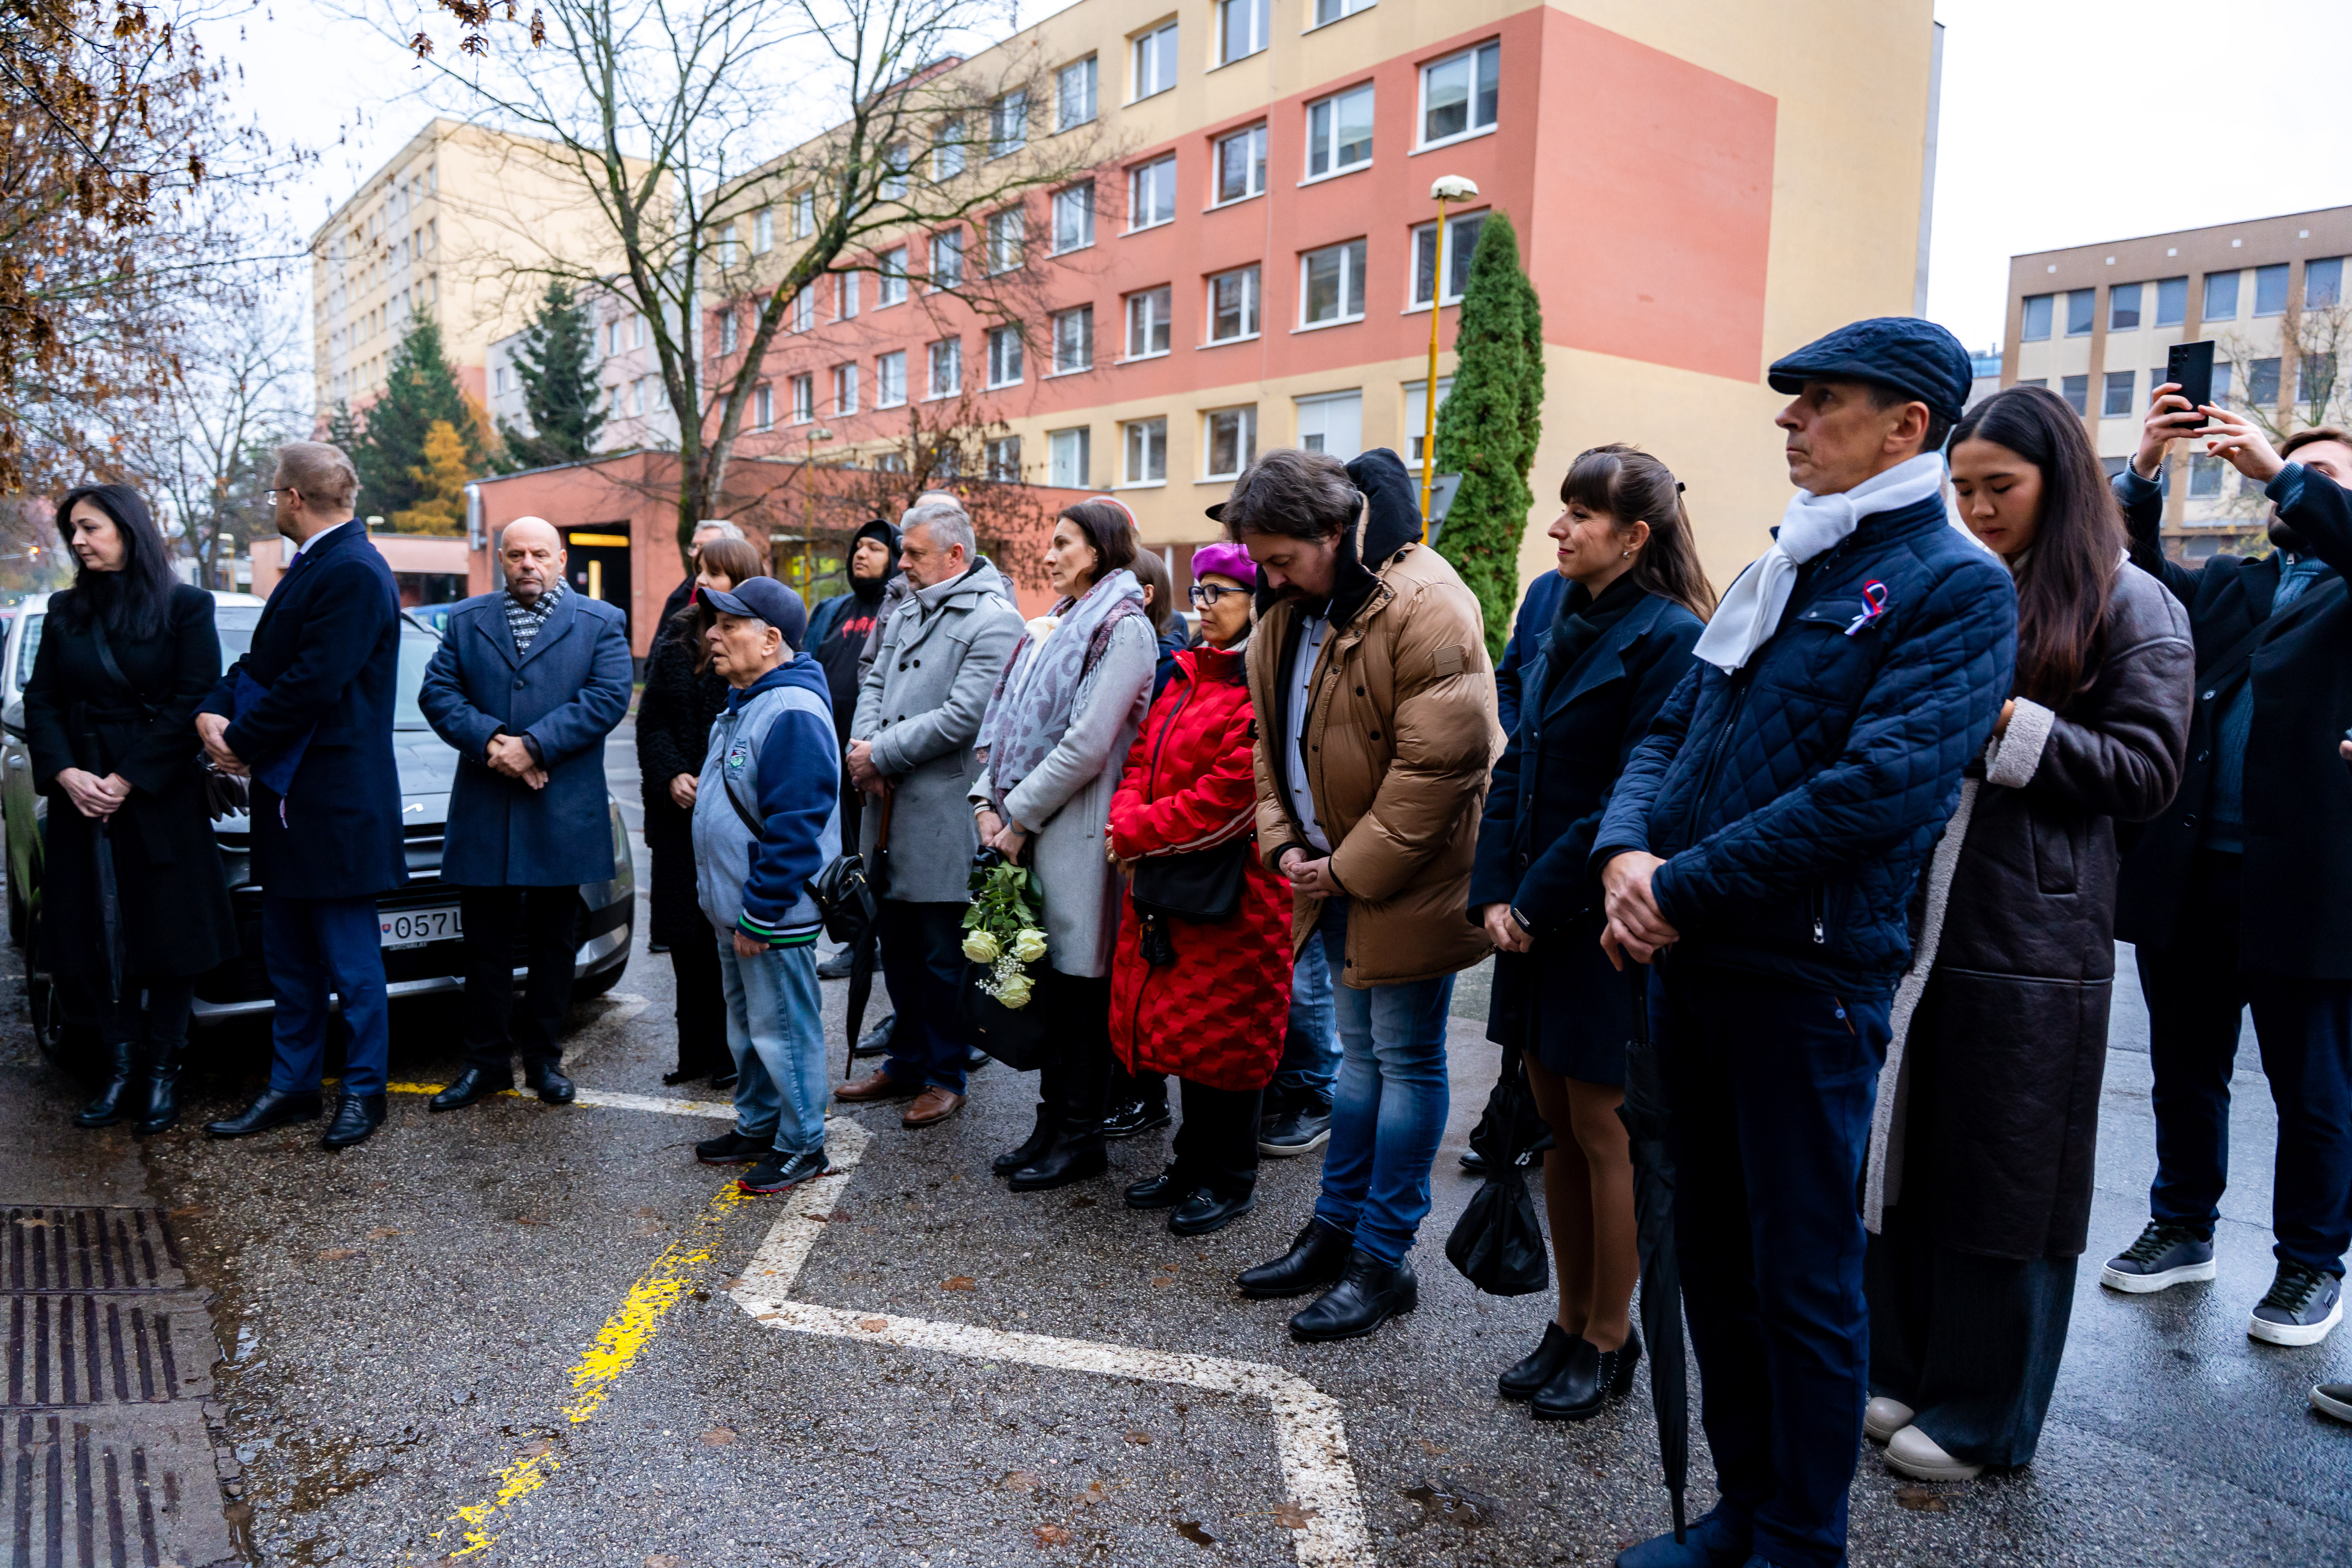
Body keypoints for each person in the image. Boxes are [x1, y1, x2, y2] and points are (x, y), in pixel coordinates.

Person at [1592, 318, 2015, 1568]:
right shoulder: (1783, 564)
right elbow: (1668, 729)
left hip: (1805, 980)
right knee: (1714, 1264)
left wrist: (1680, 885)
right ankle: (1743, 1511)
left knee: (1804, 1280)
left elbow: (1877, 788)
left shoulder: (1952, 582)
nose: (1789, 421)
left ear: (1905, 428)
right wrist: (1624, 854)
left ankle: (1799, 1540)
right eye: (1791, 402)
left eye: (1820, 401)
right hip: (1698, 964)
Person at [1859, 385, 2193, 1484]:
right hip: (1932, 919)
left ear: (2062, 479)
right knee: (1912, 1158)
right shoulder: (1973, 591)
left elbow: (2148, 772)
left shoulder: (2132, 601)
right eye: (1964, 489)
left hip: (2036, 938)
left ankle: (1987, 1417)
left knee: (2009, 1173)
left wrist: (2005, 723)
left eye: (1999, 487)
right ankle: (1907, 1368)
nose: (1980, 507)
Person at [1225, 448, 1498, 1342]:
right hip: (1331, 873)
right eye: (1261, 562)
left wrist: (1340, 868)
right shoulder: (1290, 607)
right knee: (1359, 1069)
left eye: (1280, 559)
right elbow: (1272, 747)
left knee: (1403, 1065)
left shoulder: (1425, 605)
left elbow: (1440, 771)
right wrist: (1284, 842)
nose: (1267, 578)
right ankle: (1333, 1232)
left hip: (1407, 879)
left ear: (1334, 531)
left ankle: (1383, 1260)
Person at [2100, 397, 2352, 1348]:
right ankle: (2182, 1227)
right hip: (2194, 870)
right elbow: (2136, 579)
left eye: (2327, 476)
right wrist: (2147, 470)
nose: (2300, 484)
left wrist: (2282, 469)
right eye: (2299, 473)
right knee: (2185, 1067)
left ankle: (2309, 1265)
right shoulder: (2235, 583)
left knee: (2315, 1089)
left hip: (2313, 884)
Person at [1469, 446, 1711, 1421]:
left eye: (1580, 514)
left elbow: (1629, 795)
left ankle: (1612, 1337)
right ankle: (1567, 1320)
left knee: (1605, 1134)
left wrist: (1532, 897)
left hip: (1600, 917)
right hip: (1530, 909)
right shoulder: (1549, 602)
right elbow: (1517, 751)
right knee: (1557, 1132)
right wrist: (1492, 889)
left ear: (1634, 535)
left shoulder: (1673, 635)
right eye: (1562, 509)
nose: (1558, 528)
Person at [198, 441, 408, 1150]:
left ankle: (364, 1094)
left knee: (352, 966)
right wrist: (212, 708)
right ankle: (291, 1088)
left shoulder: (351, 569)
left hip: (335, 804)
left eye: (272, 492)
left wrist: (241, 741)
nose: (272, 501)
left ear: (293, 497)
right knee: (288, 961)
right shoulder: (320, 564)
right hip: (293, 802)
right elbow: (262, 664)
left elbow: (314, 681)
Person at [26, 485, 238, 1135]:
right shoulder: (65, 611)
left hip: (157, 792)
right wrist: (66, 773)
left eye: (90, 528)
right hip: (78, 791)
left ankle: (162, 1071)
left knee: (167, 934)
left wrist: (125, 779)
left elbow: (192, 700)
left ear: (127, 528)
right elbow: (43, 702)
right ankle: (118, 1066)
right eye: (73, 532)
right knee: (90, 933)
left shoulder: (186, 606)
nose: (80, 541)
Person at [968, 499, 1157, 1189]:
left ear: (1103, 548)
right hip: (1032, 829)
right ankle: (1050, 1127)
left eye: (1064, 543)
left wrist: (1016, 818)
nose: (1049, 555)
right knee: (1049, 988)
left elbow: (1085, 743)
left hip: (1075, 838)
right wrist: (986, 803)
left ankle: (1080, 1138)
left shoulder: (1124, 628)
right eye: (1050, 543)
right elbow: (1008, 720)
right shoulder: (1056, 625)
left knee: (1082, 994)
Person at [417, 517, 634, 1112]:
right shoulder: (466, 620)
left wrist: (533, 746)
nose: (527, 565)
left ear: (561, 560)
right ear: (502, 560)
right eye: (516, 555)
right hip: (488, 805)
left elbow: (608, 697)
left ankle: (544, 1060)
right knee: (483, 945)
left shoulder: (601, 622)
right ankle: (486, 1063)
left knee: (553, 944)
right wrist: (494, 744)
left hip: (560, 806)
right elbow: (438, 695)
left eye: (540, 555)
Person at [1108, 538, 1290, 1234]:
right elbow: (1139, 761)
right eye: (1200, 591)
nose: (1204, 604)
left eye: (1220, 592)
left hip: (1237, 894)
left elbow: (1229, 797)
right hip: (1170, 880)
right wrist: (1129, 822)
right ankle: (1190, 1162)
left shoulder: (1262, 683)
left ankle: (1230, 1176)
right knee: (1184, 1034)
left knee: (1230, 1042)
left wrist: (1133, 835)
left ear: (1257, 602)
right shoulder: (1186, 673)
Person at [836, 497, 1023, 1127]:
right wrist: (864, 750)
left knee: (945, 958)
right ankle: (905, 1061)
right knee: (899, 949)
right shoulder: (911, 603)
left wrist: (879, 755)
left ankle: (946, 1074)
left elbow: (965, 717)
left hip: (942, 815)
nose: (902, 564)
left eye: (913, 553)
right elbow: (874, 684)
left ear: (955, 555)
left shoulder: (995, 619)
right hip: (889, 810)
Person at [682, 578, 842, 1194]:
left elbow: (797, 827)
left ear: (772, 640)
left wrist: (759, 913)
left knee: (783, 1031)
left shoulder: (791, 711)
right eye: (713, 624)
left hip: (769, 915)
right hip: (740, 910)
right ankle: (759, 1124)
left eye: (729, 626)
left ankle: (803, 1145)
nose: (713, 636)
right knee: (748, 1029)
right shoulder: (745, 699)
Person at [637, 537, 768, 1088]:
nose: (705, 581)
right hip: (678, 814)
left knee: (729, 943)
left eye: (718, 572)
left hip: (729, 814)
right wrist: (672, 774)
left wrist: (709, 781)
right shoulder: (678, 632)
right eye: (702, 570)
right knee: (686, 943)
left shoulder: (758, 639)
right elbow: (652, 721)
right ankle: (694, 1052)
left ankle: (729, 1056)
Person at [1102, 544, 1183, 1138]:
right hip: (1130, 828)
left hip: (1154, 841)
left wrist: (1133, 826)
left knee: (1151, 980)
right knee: (1129, 978)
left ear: (1145, 596)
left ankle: (1144, 1094)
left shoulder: (1169, 663)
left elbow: (1155, 756)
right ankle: (1132, 1088)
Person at [808, 518, 902, 985]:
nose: (861, 555)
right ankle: (855, 940)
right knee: (842, 852)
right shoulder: (831, 611)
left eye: (874, 549)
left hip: (872, 754)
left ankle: (877, 942)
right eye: (857, 548)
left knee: (872, 853)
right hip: (829, 754)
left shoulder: (897, 609)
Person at [656, 518, 751, 633]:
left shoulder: (756, 607)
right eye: (695, 546)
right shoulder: (683, 591)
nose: (696, 554)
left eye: (703, 547)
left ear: (732, 551)